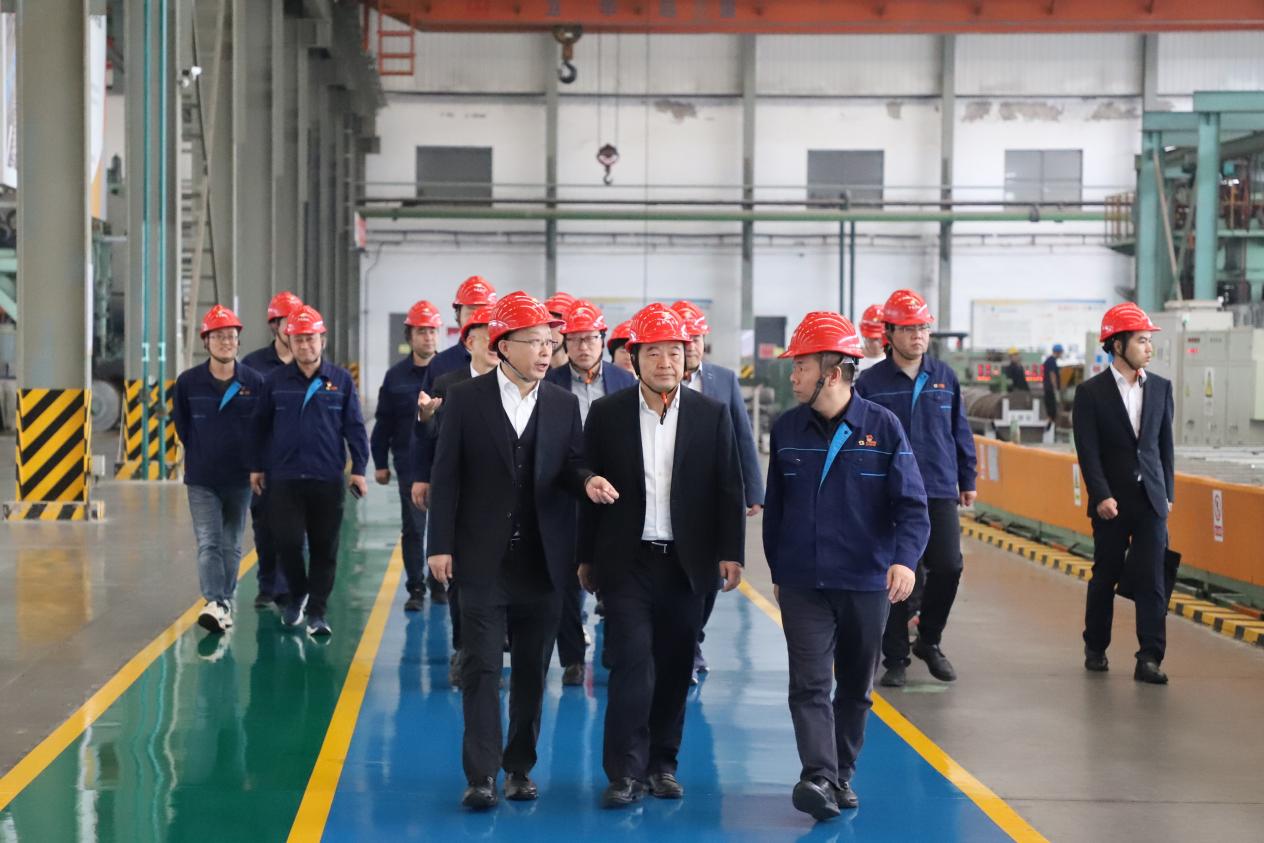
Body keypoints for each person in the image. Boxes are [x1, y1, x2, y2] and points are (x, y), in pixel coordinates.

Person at [426, 292, 618, 810]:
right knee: (482, 667)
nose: (545, 350)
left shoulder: (562, 404)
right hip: (481, 559)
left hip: (543, 561)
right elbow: (446, 477)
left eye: (549, 342)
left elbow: (572, 464)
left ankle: (518, 767)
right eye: (533, 341)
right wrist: (439, 545)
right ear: (502, 345)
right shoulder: (465, 399)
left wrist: (588, 480)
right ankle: (481, 775)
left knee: (533, 670)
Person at [578, 302, 745, 809]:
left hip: (687, 563)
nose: (666, 362)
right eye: (654, 352)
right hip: (626, 561)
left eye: (675, 351)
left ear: (687, 356)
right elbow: (587, 483)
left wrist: (731, 552)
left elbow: (728, 487)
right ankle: (624, 773)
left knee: (674, 668)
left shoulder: (710, 414)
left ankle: (662, 765)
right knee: (632, 664)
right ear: (634, 358)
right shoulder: (607, 414)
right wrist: (586, 556)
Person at [764, 311, 929, 820]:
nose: (793, 377)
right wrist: (779, 571)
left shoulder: (882, 427)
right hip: (804, 582)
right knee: (809, 683)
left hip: (865, 581)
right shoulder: (786, 428)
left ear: (832, 373)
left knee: (856, 687)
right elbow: (776, 511)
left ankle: (840, 774)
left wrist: (904, 561)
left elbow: (912, 505)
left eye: (802, 367)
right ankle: (818, 775)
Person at [855, 289, 976, 688]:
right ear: (889, 333)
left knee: (949, 565)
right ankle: (895, 658)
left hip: (938, 487)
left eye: (923, 328)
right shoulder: (870, 383)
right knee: (896, 572)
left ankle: (929, 639)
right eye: (909, 329)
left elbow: (960, 430)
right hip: (888, 492)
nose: (918, 336)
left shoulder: (945, 376)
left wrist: (968, 478)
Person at [249, 305, 369, 638]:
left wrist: (359, 469)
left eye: (311, 339)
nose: (305, 345)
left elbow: (355, 427)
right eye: (299, 340)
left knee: (324, 548)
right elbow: (259, 427)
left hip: (326, 479)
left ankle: (317, 611)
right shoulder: (274, 382)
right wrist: (256, 466)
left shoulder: (340, 381)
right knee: (286, 542)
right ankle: (298, 592)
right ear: (290, 341)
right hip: (284, 478)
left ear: (322, 340)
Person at [1072, 303, 1174, 685]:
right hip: (1111, 502)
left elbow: (1164, 447)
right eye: (1141, 340)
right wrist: (1100, 495)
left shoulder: (1161, 388)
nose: (1149, 348)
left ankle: (1149, 657)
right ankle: (1095, 646)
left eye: (1149, 340)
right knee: (1106, 575)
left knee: (1153, 579)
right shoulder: (1090, 393)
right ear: (1117, 345)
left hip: (1151, 499)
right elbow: (1088, 451)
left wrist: (1168, 494)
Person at [670, 299, 763, 683]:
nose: (692, 345)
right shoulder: (658, 378)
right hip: (668, 496)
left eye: (697, 338)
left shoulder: (723, 379)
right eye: (685, 339)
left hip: (712, 497)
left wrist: (753, 489)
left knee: (708, 581)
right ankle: (683, 644)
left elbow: (742, 434)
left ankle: (693, 638)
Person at [545, 299, 637, 686]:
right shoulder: (549, 383)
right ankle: (571, 658)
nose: (583, 347)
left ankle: (616, 648)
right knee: (567, 577)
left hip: (613, 491)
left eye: (591, 339)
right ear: (564, 343)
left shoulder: (625, 381)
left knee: (616, 573)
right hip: (565, 489)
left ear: (603, 340)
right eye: (575, 340)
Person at [409, 304, 500, 688]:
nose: (494, 344)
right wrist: (426, 418)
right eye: (486, 338)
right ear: (469, 342)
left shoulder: (517, 382)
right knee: (462, 582)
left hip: (505, 501)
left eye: (500, 338)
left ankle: (492, 649)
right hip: (462, 498)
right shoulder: (448, 383)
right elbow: (430, 439)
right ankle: (465, 648)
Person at [173, 305, 265, 635]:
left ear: (238, 342)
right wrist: (203, 451)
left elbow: (262, 428)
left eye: (231, 336)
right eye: (218, 336)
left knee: (232, 544)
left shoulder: (254, 382)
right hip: (202, 477)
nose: (226, 342)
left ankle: (222, 601)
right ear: (206, 341)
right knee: (209, 541)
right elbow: (183, 426)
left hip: (240, 478)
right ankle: (215, 600)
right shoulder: (188, 383)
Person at [371, 300, 444, 612]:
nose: (428, 337)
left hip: (445, 466)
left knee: (443, 528)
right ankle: (416, 587)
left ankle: (439, 583)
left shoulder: (450, 372)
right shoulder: (395, 376)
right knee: (414, 529)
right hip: (409, 466)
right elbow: (383, 422)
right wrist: (379, 463)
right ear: (410, 336)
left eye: (432, 331)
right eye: (421, 332)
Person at [241, 290, 304, 609]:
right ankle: (268, 585)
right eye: (285, 321)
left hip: (301, 461)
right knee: (264, 528)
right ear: (274, 325)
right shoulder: (253, 365)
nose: (292, 328)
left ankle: (288, 586)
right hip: (265, 461)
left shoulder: (311, 362)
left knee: (296, 528)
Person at [427, 275, 499, 385]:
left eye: (485, 313)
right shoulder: (440, 363)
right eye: (472, 312)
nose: (478, 319)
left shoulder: (508, 360)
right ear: (458, 316)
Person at [544, 292, 577, 370]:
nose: (545, 332)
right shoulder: (534, 372)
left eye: (552, 325)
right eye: (543, 325)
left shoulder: (581, 373)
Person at [856, 304, 887, 376]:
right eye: (872, 339)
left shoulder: (895, 362)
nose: (876, 344)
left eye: (880, 338)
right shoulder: (852, 359)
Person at [1043, 343, 1065, 426]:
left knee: (1051, 408)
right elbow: (1052, 375)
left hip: (1049, 388)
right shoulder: (1051, 361)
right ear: (1058, 352)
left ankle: (1051, 425)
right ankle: (1050, 426)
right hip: (1050, 389)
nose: (1061, 354)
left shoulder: (1050, 360)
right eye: (1061, 352)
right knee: (1052, 409)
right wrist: (1055, 389)